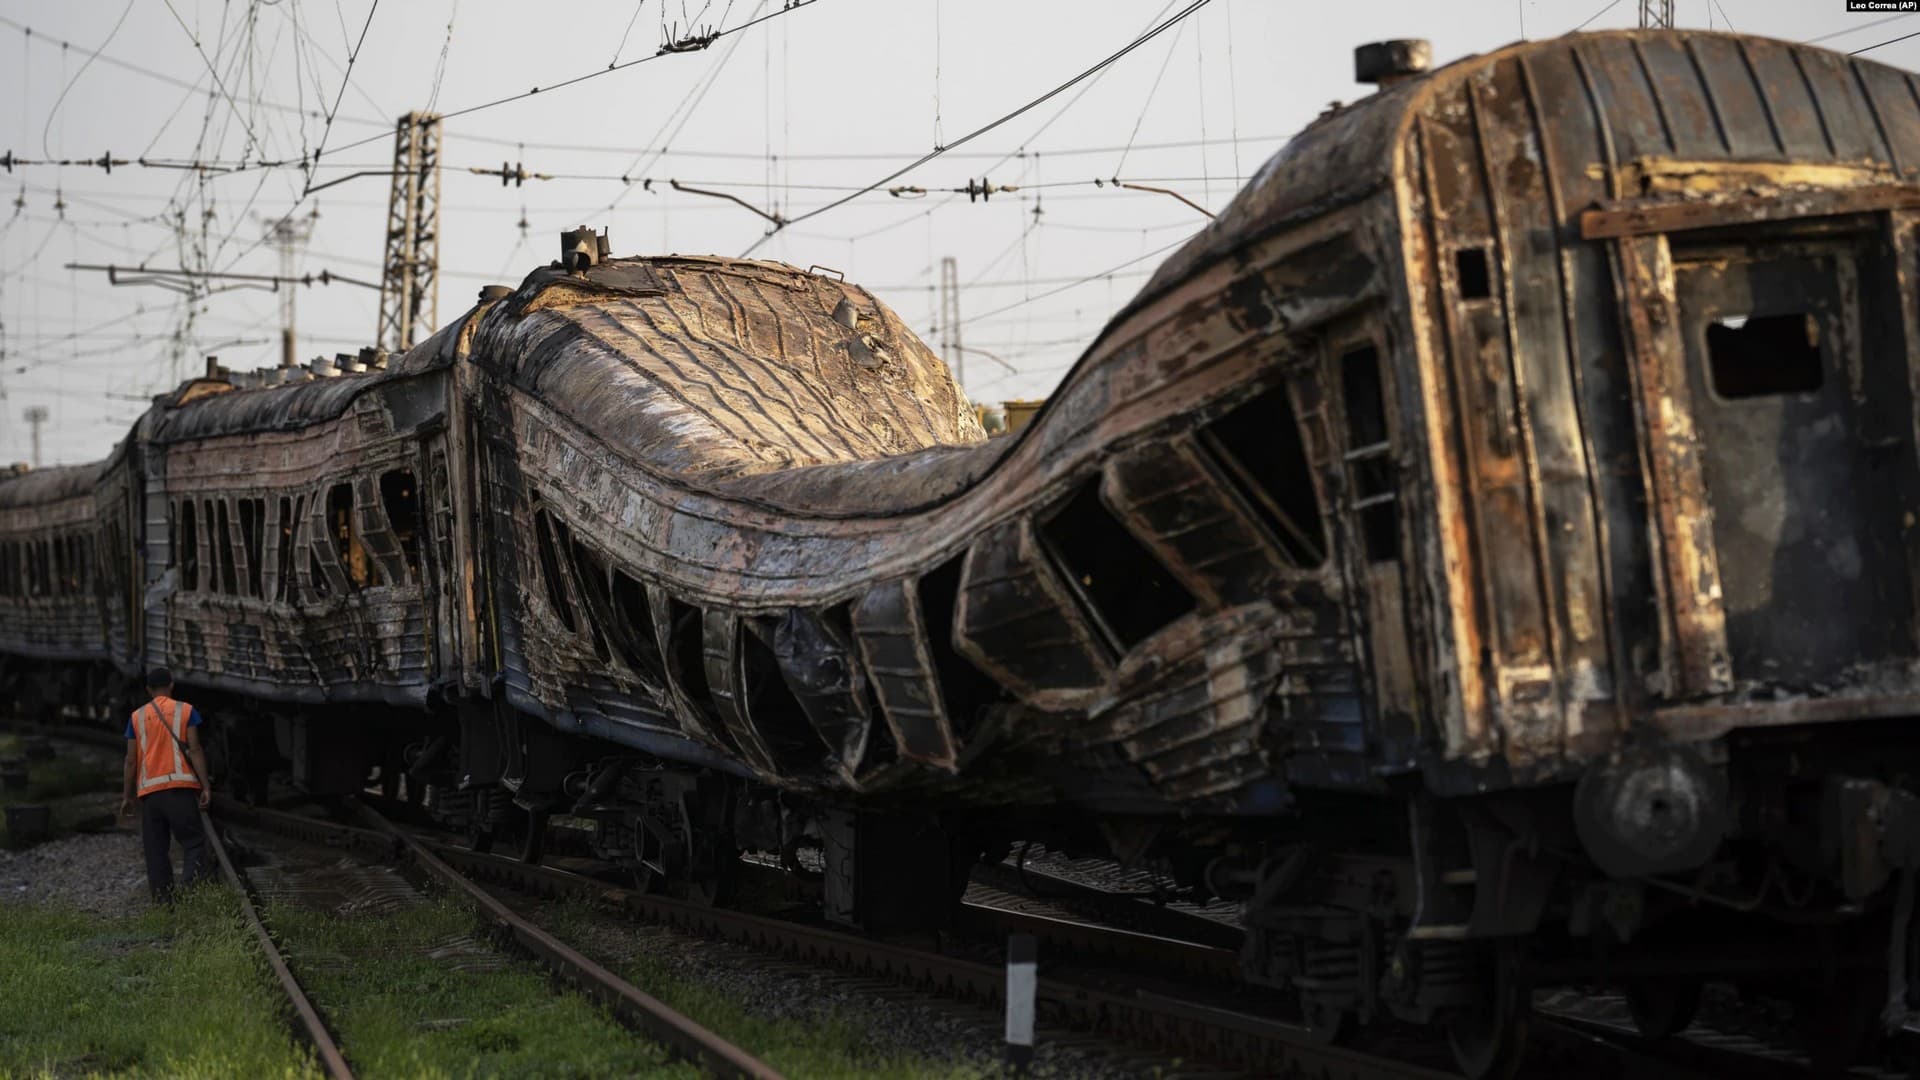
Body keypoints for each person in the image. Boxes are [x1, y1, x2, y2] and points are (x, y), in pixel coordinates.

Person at [116, 668, 213, 902]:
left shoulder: (136, 717)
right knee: (194, 842)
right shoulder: (186, 711)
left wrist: (127, 796)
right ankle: (193, 893)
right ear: (171, 685)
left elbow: (131, 760)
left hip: (150, 795)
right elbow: (195, 749)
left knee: (156, 850)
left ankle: (164, 903)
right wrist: (205, 786)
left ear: (148, 690)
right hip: (180, 790)